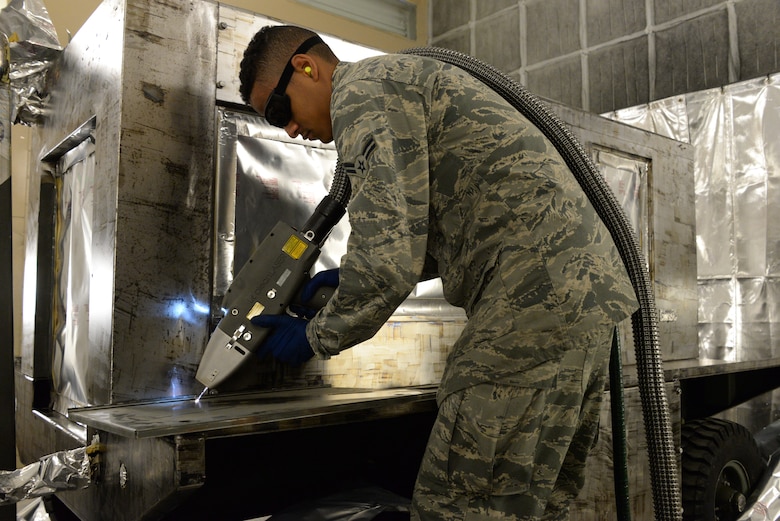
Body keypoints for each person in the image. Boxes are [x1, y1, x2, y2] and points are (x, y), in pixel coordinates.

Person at [238, 25, 639, 521]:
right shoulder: (398, 83)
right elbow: (442, 223)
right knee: (522, 506)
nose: (290, 131)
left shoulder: (362, 93)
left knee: (458, 504)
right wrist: (347, 277)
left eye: (280, 112)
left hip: (533, 300)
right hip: (576, 297)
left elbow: (388, 259)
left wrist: (316, 335)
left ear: (306, 68)